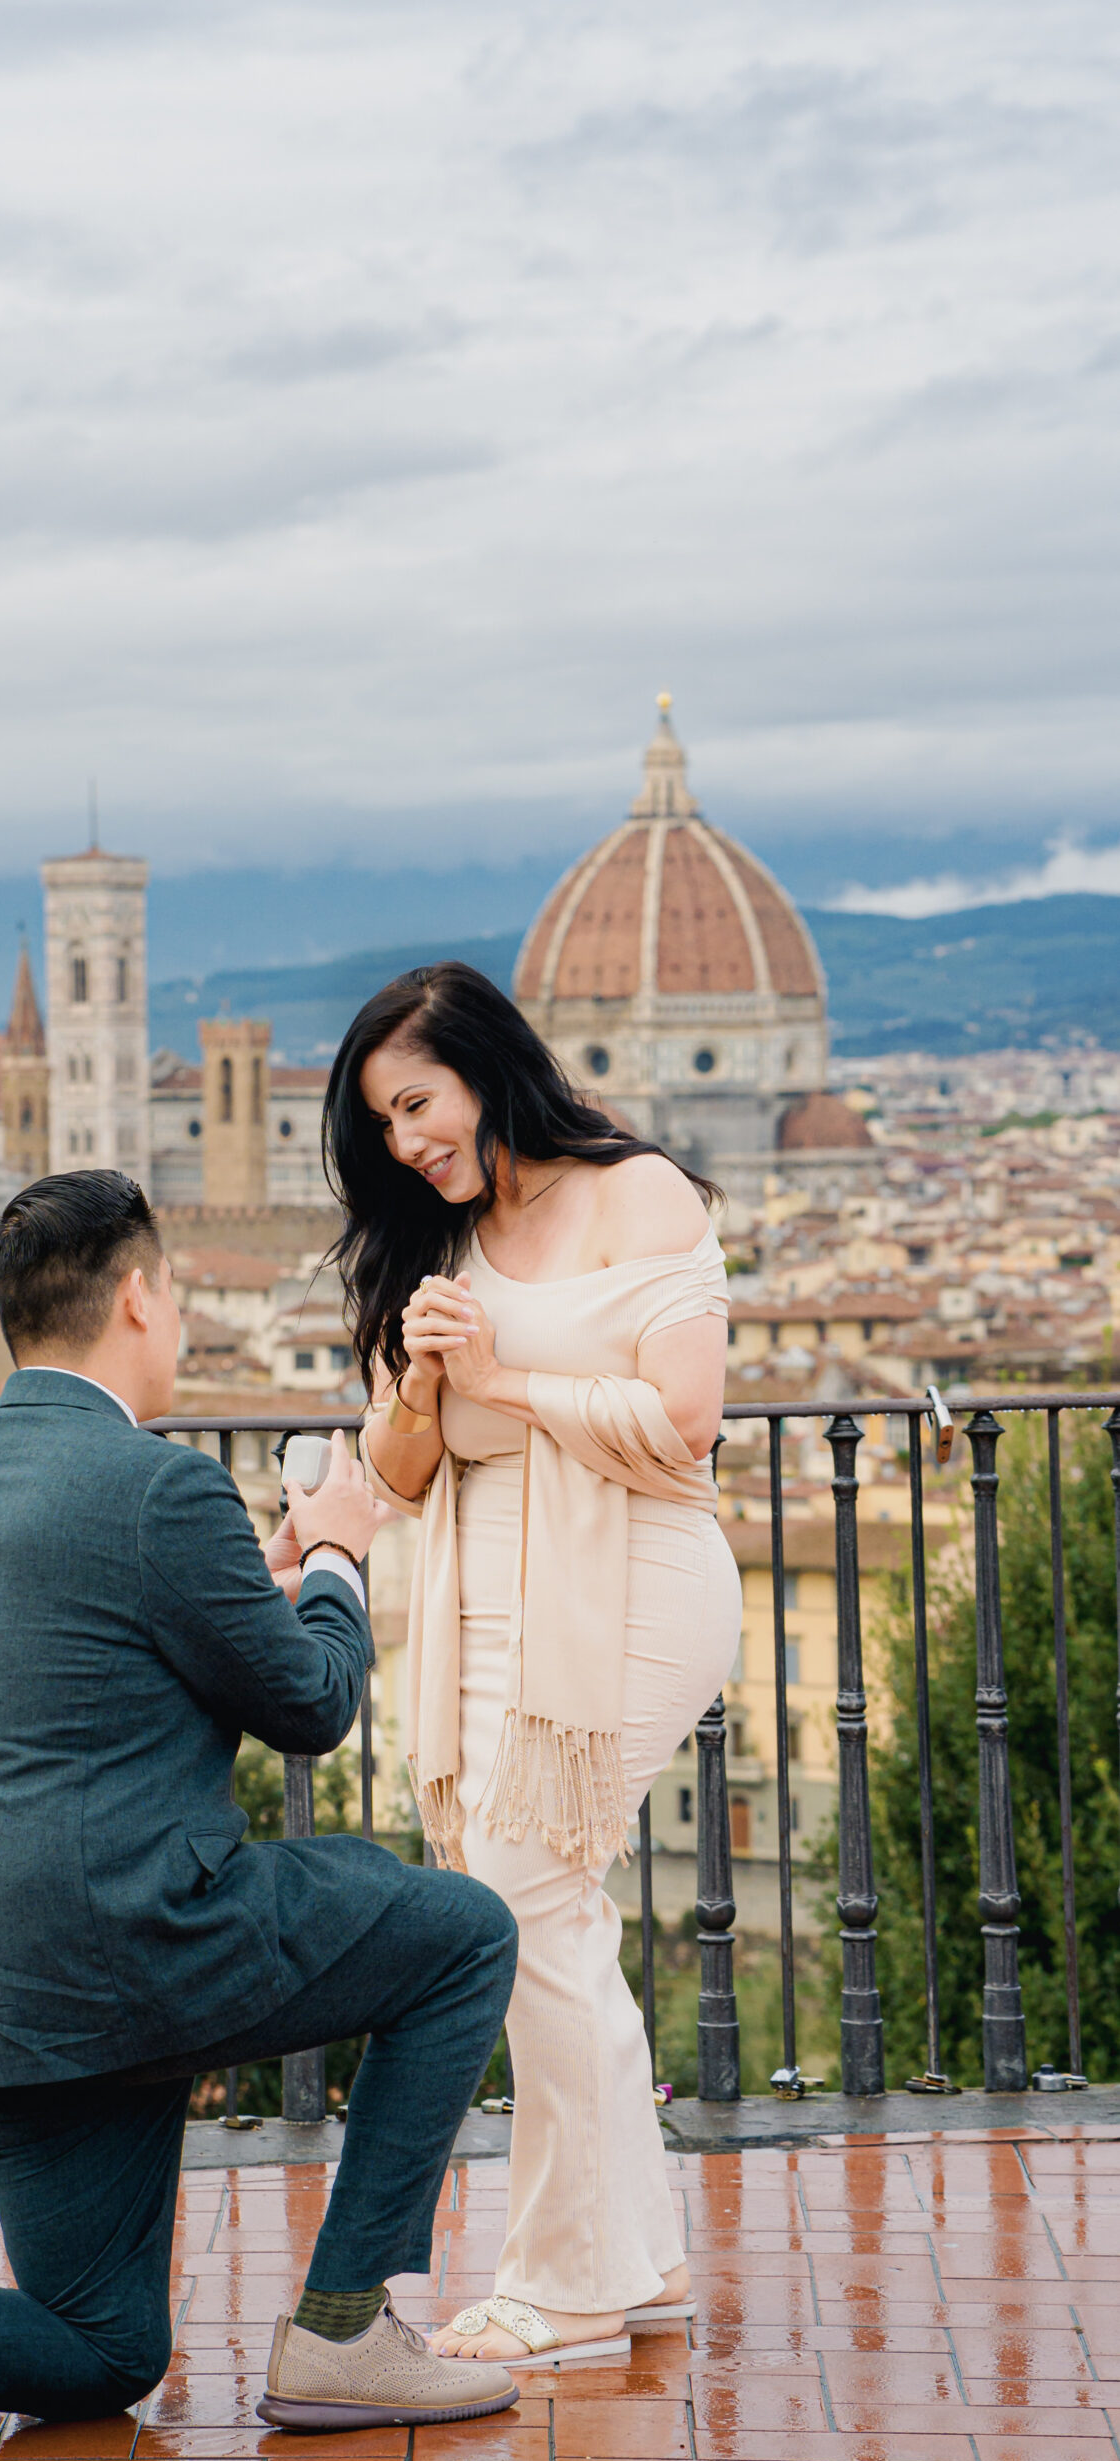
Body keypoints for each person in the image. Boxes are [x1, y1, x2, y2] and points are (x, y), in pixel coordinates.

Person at [0, 1167, 520, 2461]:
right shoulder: (161, 1489)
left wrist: (252, 1591)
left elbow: (89, 1674)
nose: (178, 1313)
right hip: (131, 1950)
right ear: (137, 1298)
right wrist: (341, 1555)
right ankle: (346, 2328)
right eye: (175, 1292)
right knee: (465, 1934)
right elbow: (312, 1704)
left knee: (107, 2343)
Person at [327, 962, 741, 2369]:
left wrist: (502, 1381)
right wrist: (430, 1389)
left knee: (518, 1906)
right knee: (549, 1919)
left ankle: (566, 2288)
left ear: (488, 1068)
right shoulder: (433, 1245)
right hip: (483, 1603)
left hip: (633, 1583)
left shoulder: (641, 1194)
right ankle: (643, 2259)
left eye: (415, 1104)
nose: (404, 1143)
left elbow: (687, 1417)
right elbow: (395, 1466)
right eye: (383, 1123)